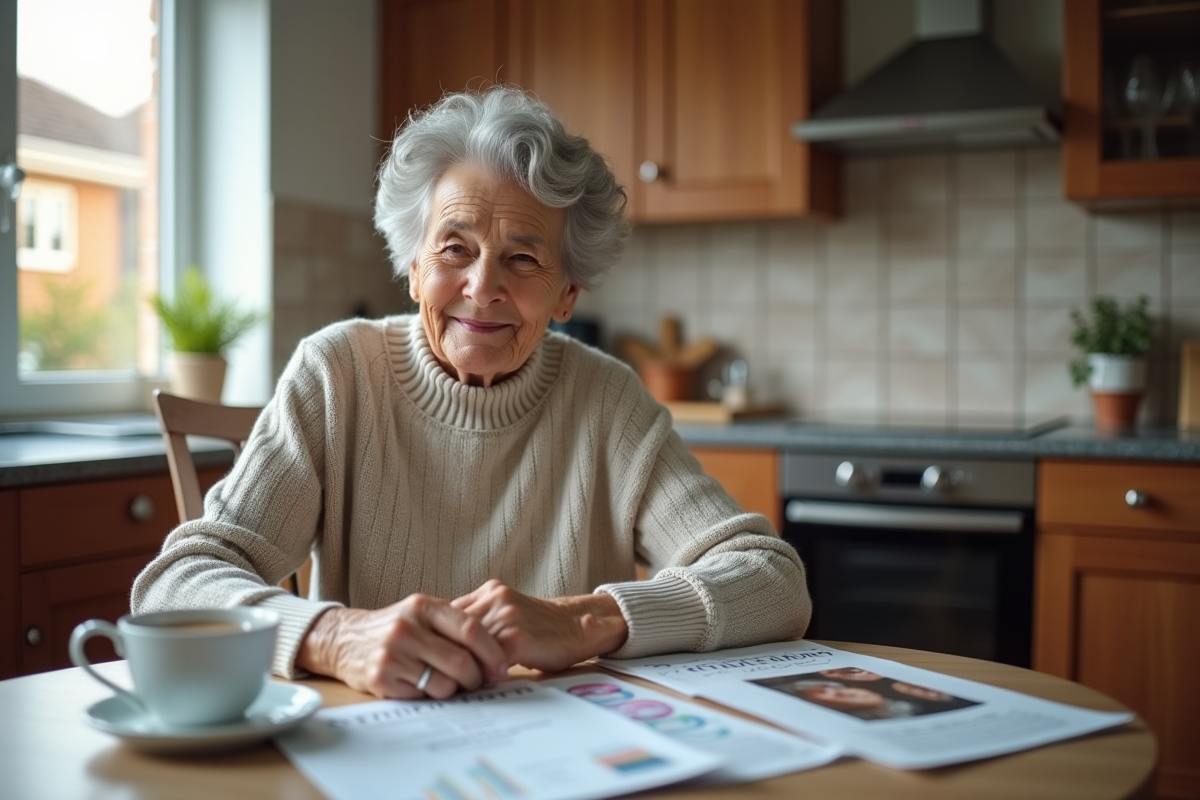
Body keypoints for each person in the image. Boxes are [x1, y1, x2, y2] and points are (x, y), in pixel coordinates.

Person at [132, 86, 811, 700]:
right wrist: (334, 636)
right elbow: (176, 585)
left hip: (571, 755)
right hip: (376, 752)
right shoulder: (336, 374)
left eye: (522, 258)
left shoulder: (607, 400)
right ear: (412, 265)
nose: (482, 288)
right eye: (454, 249)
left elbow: (773, 582)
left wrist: (585, 620)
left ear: (567, 293)